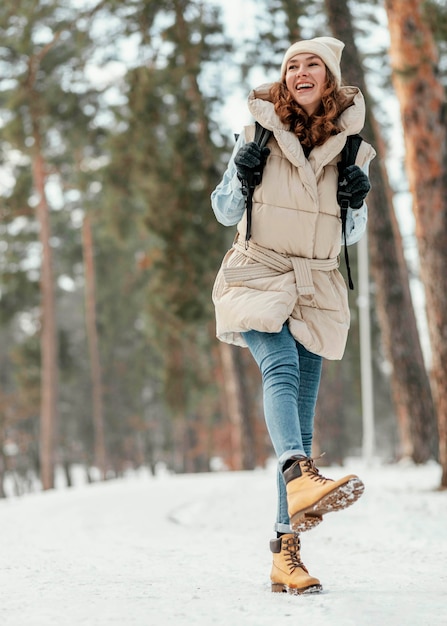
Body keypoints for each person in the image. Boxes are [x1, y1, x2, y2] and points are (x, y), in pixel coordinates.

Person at [210, 36, 376, 595]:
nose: (301, 72)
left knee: (300, 429)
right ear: (284, 79)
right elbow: (224, 211)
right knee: (277, 367)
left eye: (313, 66)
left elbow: (348, 237)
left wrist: (358, 198)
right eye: (292, 66)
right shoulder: (256, 132)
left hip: (317, 284)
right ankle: (299, 480)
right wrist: (240, 169)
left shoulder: (352, 150)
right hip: (257, 272)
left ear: (329, 81)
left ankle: (286, 554)